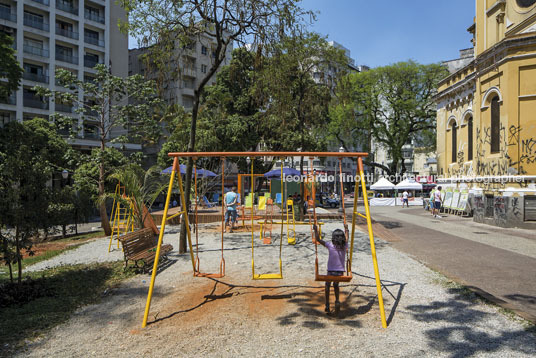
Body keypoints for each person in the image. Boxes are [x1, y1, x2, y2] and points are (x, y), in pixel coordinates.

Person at [313, 225, 347, 316]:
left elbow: (318, 239)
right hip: (340, 272)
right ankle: (337, 301)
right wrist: (346, 229)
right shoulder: (345, 246)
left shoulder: (330, 245)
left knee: (327, 285)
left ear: (333, 238)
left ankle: (327, 304)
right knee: (336, 284)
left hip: (331, 271)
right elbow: (346, 238)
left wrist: (316, 230)